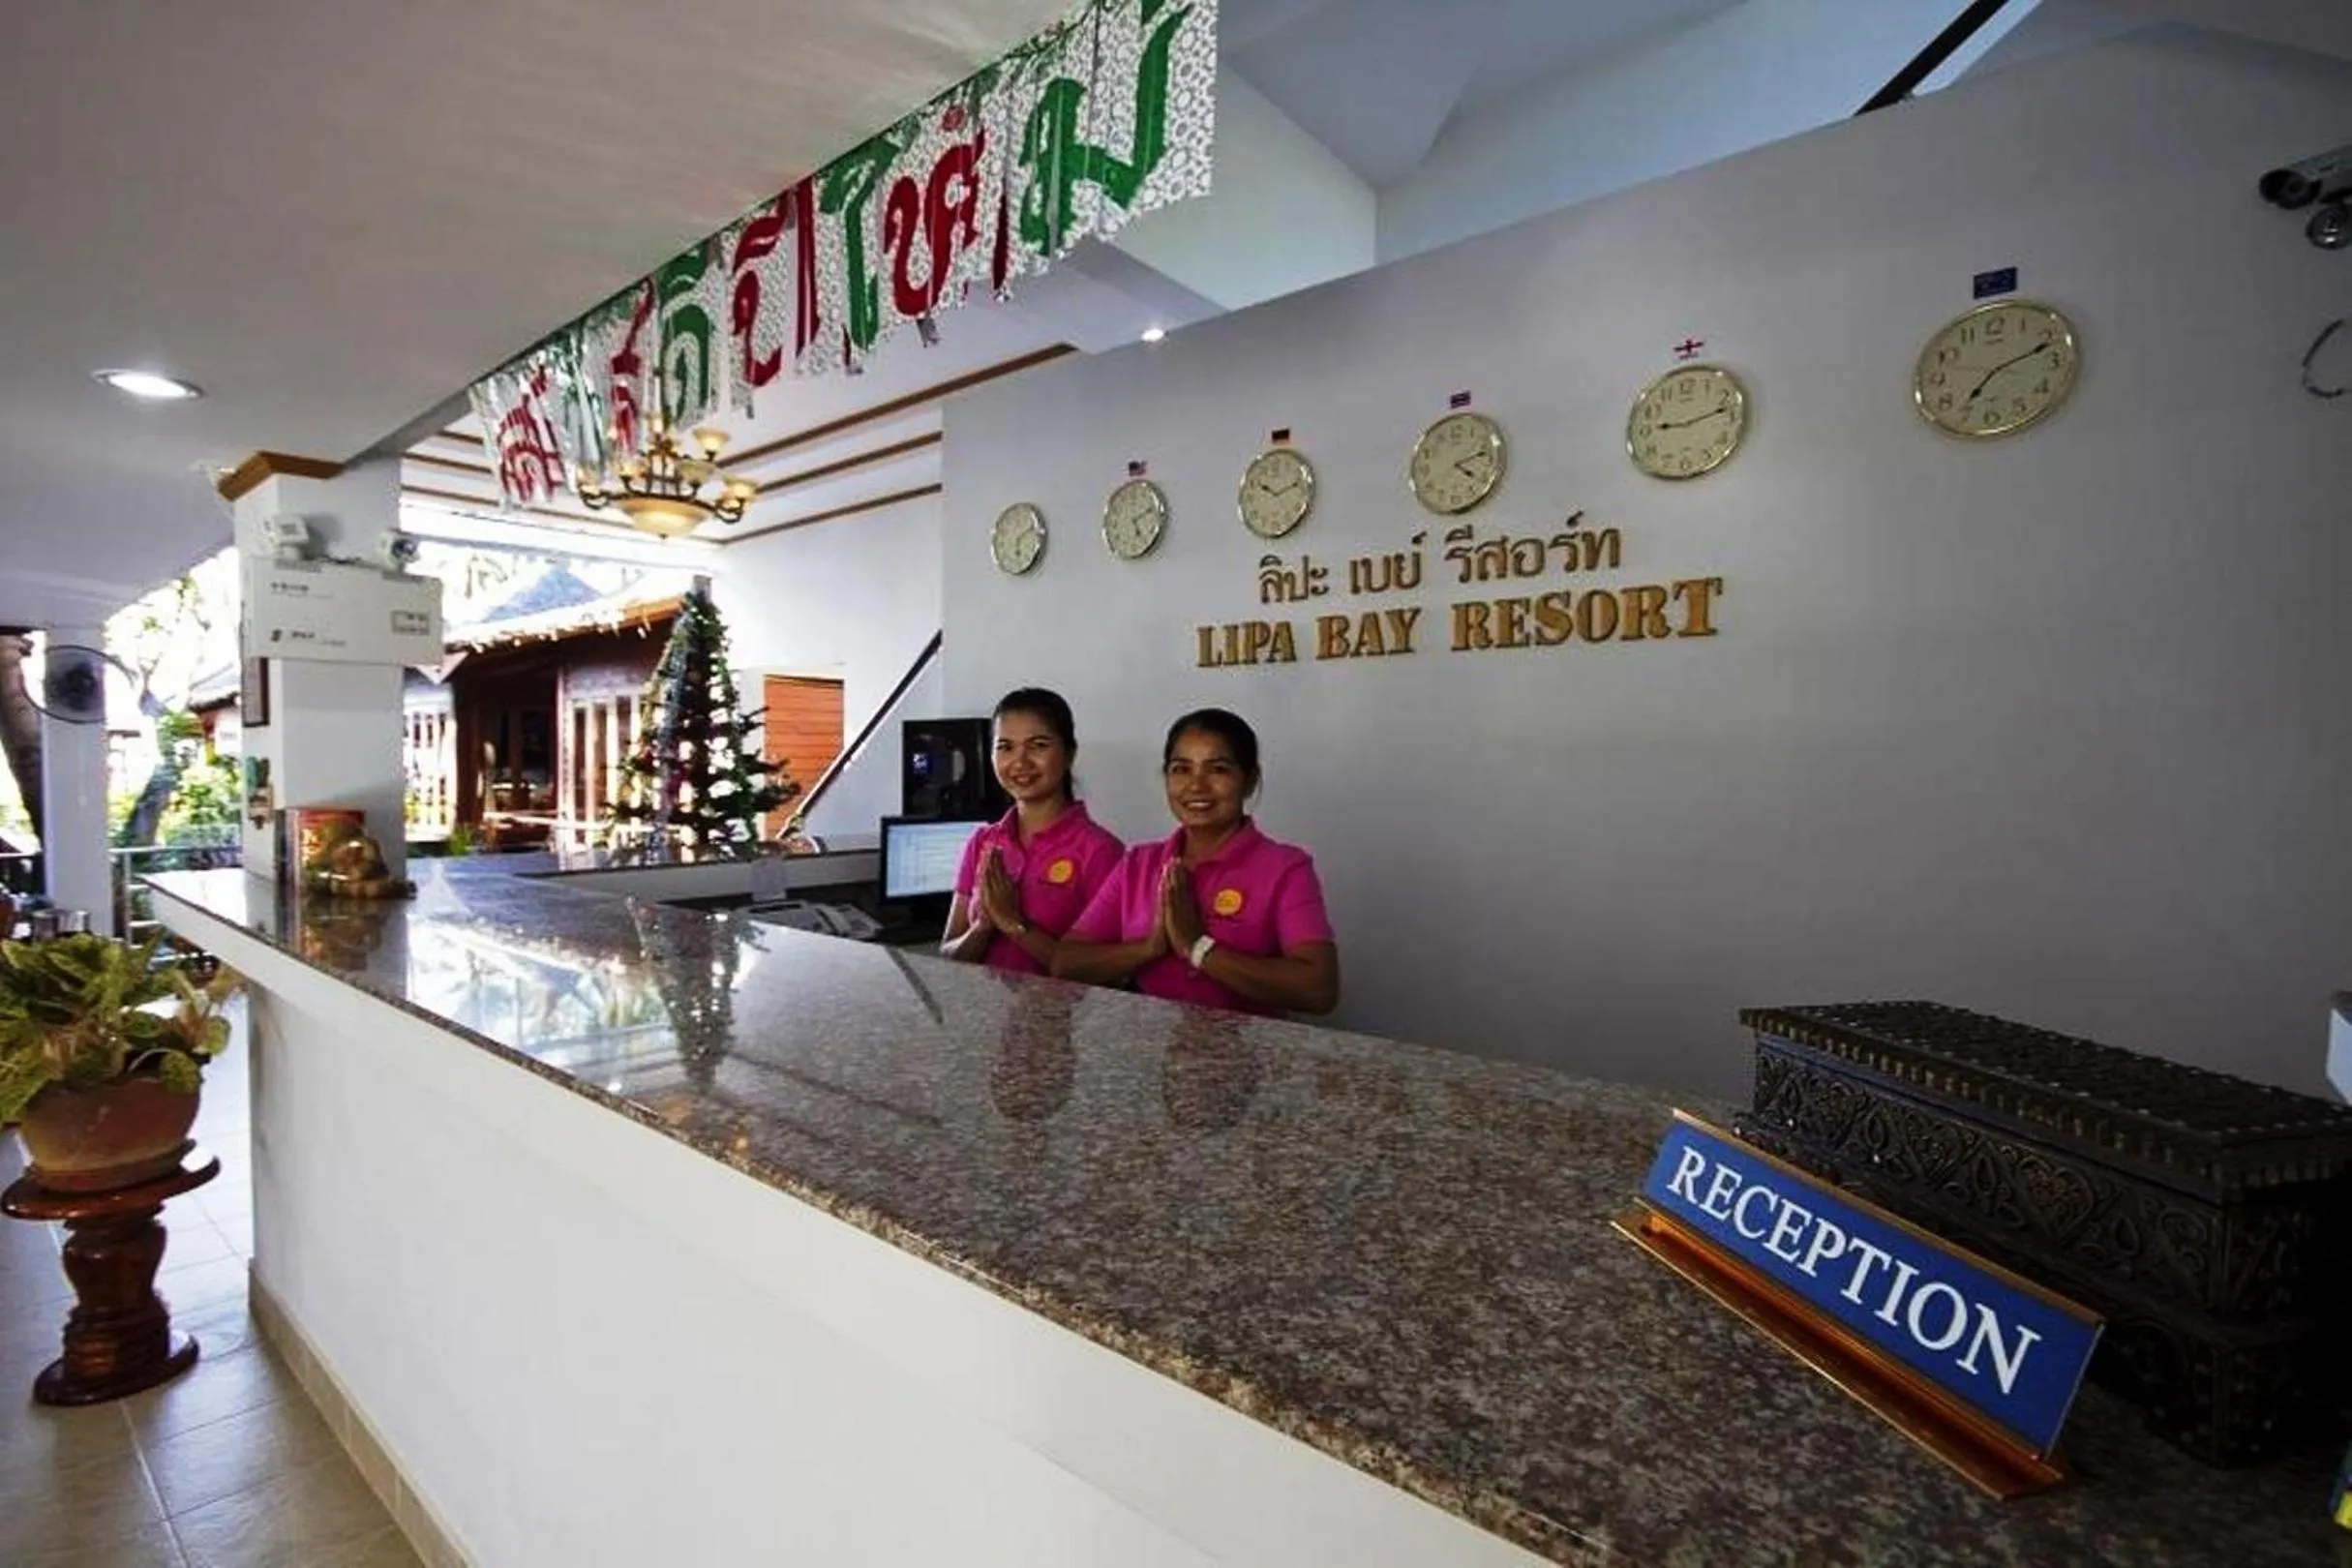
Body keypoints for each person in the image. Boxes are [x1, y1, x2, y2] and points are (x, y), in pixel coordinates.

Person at [1053, 709, 1340, 1017]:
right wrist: (1148, 948)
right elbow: (1066, 963)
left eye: (1217, 769)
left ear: (1250, 780)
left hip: (1245, 1056)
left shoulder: (1286, 867)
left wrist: (1197, 946)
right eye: (1181, 769)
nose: (1196, 786)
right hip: (1148, 1052)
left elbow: (1319, 990)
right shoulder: (1139, 863)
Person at [940, 688, 1124, 976]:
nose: (1020, 762)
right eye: (1005, 747)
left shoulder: (1101, 851)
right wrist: (983, 927)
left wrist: (1014, 923)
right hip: (979, 1015)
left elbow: (1104, 973)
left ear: (1069, 753)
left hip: (1062, 1019)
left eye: (1038, 745)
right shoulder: (982, 842)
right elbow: (947, 954)